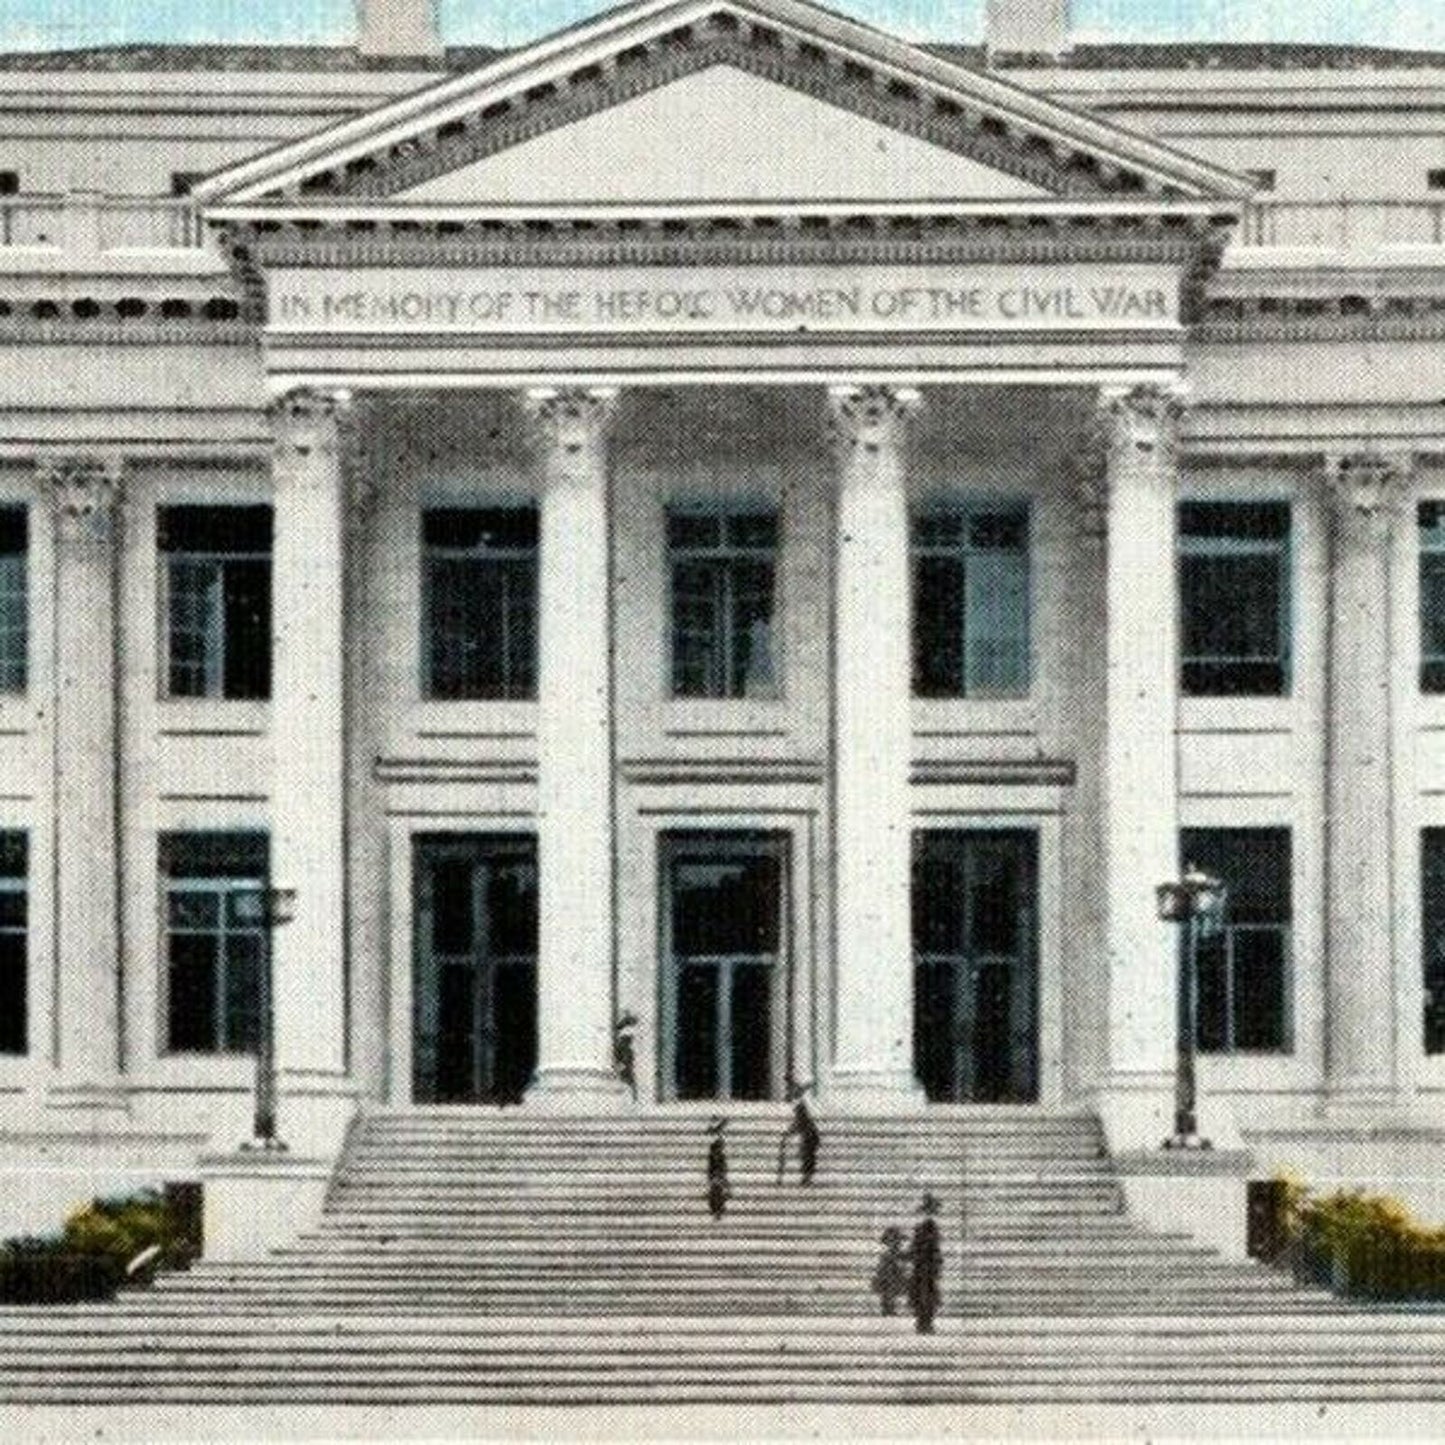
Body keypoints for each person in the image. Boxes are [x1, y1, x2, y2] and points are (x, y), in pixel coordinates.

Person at [907, 1192, 943, 1334]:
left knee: (925, 1296)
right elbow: (927, 1249)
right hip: (924, 1267)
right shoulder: (927, 1228)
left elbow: (931, 1249)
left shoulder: (928, 1228)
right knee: (924, 1296)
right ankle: (924, 1323)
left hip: (924, 1267)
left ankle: (924, 1323)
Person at [775, 1087, 821, 1186]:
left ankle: (807, 1178)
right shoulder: (800, 1106)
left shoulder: (800, 1106)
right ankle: (806, 1178)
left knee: (807, 1156)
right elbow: (797, 1123)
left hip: (810, 1135)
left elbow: (798, 1123)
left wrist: (788, 1133)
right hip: (809, 1134)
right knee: (806, 1156)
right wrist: (788, 1133)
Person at [870, 1226, 908, 1317]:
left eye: (899, 1241)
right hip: (888, 1278)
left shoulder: (895, 1253)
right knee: (888, 1292)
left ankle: (889, 1308)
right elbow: (883, 1268)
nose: (898, 1243)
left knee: (890, 1292)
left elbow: (903, 1259)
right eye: (895, 1240)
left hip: (892, 1277)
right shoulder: (887, 1255)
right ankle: (888, 1308)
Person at [706, 1117, 731, 1220]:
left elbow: (714, 1167)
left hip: (716, 1174)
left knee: (717, 1189)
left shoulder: (716, 1155)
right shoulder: (717, 1155)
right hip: (717, 1174)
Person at [612, 1011, 638, 1102]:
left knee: (627, 1073)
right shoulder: (626, 1032)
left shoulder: (626, 1034)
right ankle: (633, 1095)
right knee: (627, 1073)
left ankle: (633, 1095)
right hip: (624, 1053)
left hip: (625, 1053)